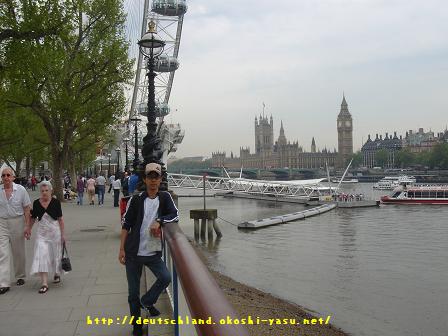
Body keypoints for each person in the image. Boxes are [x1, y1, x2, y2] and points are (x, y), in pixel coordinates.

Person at [119, 163, 178, 336]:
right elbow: (126, 224)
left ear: (160, 179)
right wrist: (121, 249)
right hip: (133, 253)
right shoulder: (136, 199)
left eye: (156, 177)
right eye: (150, 177)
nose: (153, 180)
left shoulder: (165, 197)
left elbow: (175, 215)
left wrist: (159, 221)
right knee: (132, 293)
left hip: (152, 252)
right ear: (144, 179)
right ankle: (136, 326)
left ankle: (147, 301)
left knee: (165, 277)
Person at [25, 181, 65, 294]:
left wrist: (63, 235)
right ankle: (44, 283)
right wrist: (28, 229)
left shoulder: (56, 202)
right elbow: (33, 218)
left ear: (51, 191)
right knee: (41, 255)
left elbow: (60, 219)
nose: (44, 193)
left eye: (46, 190)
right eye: (42, 191)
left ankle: (56, 273)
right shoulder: (36, 203)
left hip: (54, 233)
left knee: (55, 254)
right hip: (41, 234)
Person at [0, 168, 31, 295]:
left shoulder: (21, 190)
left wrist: (27, 226)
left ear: (13, 177)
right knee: (3, 253)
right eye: (3, 175)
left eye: (8, 175)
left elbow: (27, 208)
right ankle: (4, 283)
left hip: (17, 222)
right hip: (2, 223)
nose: (6, 177)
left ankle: (20, 276)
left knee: (18, 252)